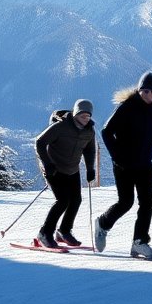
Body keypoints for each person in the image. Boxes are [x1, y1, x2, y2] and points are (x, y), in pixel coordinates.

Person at [94, 72, 152, 259]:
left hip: (145, 164)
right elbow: (106, 132)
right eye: (145, 91)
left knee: (147, 202)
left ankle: (139, 242)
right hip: (123, 165)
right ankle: (103, 223)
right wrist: (117, 155)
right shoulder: (126, 108)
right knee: (126, 202)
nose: (149, 95)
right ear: (139, 90)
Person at [34, 99, 97, 247]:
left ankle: (64, 231)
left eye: (88, 116)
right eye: (83, 115)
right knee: (62, 201)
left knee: (75, 200)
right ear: (75, 114)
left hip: (72, 169)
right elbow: (40, 142)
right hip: (54, 169)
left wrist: (90, 169)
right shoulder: (61, 127)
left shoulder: (89, 131)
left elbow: (89, 150)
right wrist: (47, 164)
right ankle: (44, 233)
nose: (86, 119)